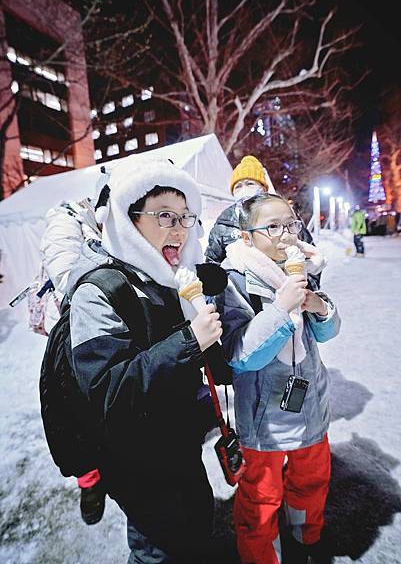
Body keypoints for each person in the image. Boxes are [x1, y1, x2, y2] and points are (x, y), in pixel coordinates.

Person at [67, 159, 222, 563]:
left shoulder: (167, 279)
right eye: (165, 216)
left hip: (180, 449)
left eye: (186, 217)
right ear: (128, 218)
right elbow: (108, 393)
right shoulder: (99, 290)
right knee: (158, 547)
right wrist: (189, 341)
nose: (180, 228)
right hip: (136, 464)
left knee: (195, 524)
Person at [214, 192, 340, 564]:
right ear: (246, 236)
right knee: (260, 498)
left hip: (310, 405)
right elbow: (241, 355)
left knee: (311, 482)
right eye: (273, 227)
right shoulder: (234, 280)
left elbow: (325, 333)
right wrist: (282, 308)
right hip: (263, 418)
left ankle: (307, 536)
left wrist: (317, 304)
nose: (286, 235)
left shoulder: (299, 268)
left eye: (290, 224)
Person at [40, 168, 109, 525]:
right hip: (71, 334)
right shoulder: (67, 218)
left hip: (106, 324)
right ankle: (89, 482)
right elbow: (67, 273)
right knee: (73, 414)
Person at [205, 155, 319, 286]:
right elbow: (211, 264)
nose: (244, 189)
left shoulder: (286, 217)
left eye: (250, 184)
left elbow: (311, 258)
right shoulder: (223, 225)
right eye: (238, 186)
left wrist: (306, 291)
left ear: (263, 189)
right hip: (243, 300)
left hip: (288, 293)